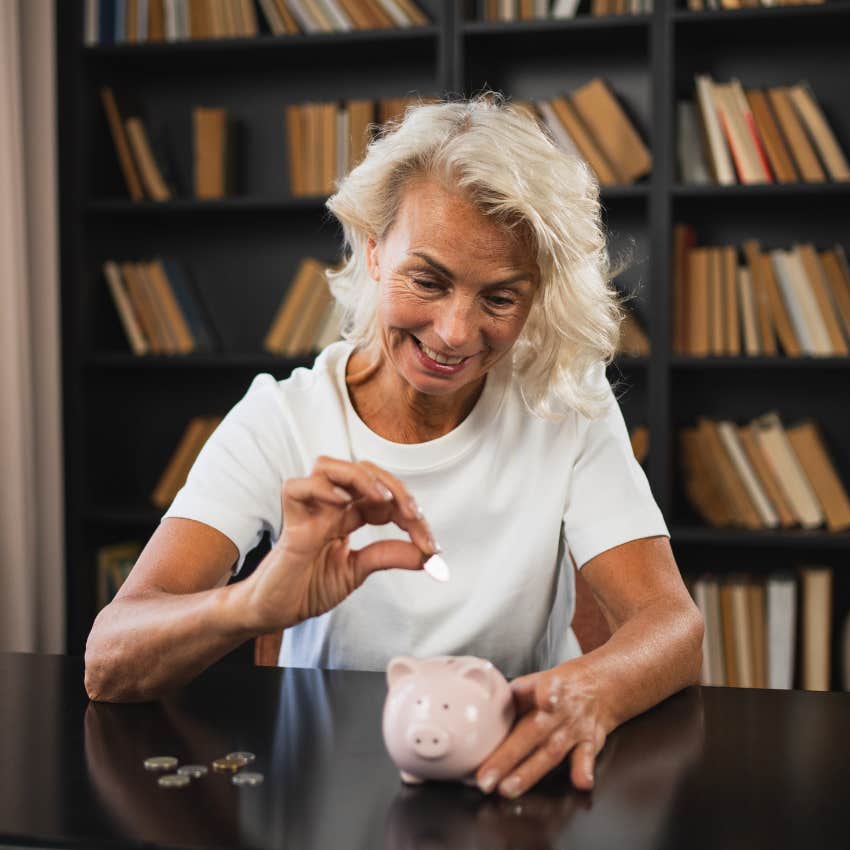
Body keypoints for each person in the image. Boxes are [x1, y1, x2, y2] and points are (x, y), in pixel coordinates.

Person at [84, 93, 704, 800]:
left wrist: (594, 688)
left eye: (500, 298)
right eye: (429, 280)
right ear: (373, 250)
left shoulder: (567, 406)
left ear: (537, 297)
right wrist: (253, 605)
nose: (453, 332)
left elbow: (672, 625)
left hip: (512, 788)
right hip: (321, 793)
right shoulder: (281, 419)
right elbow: (109, 660)